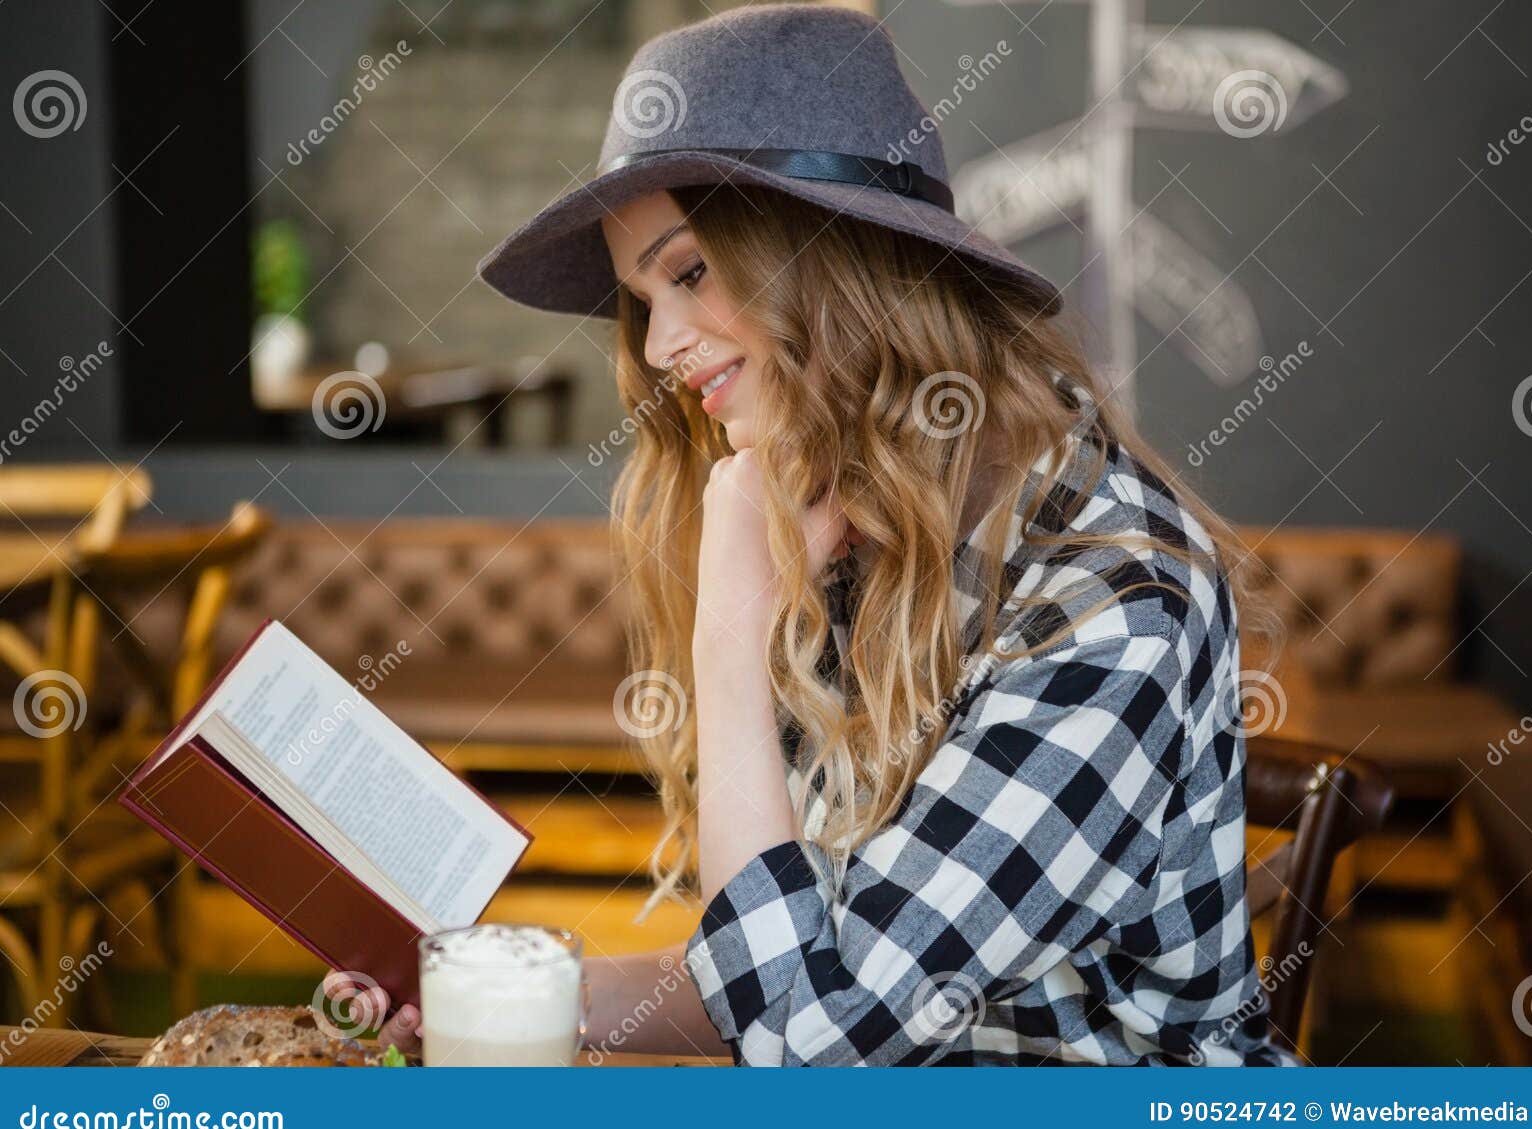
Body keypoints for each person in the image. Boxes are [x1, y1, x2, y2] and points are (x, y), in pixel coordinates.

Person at [330, 2, 1294, 1066]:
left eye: (690, 271)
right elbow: (775, 969)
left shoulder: (1111, 599)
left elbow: (809, 1049)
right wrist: (480, 984)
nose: (656, 347)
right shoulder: (860, 525)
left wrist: (728, 635)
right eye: (640, 297)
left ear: (840, 260)